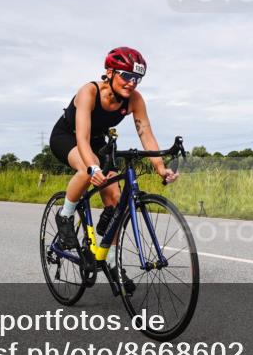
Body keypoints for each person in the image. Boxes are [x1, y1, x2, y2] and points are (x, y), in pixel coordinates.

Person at [49, 47, 178, 254]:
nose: (132, 82)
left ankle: (108, 261)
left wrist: (160, 168)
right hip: (68, 136)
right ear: (110, 72)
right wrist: (93, 168)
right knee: (85, 169)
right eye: (126, 75)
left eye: (137, 78)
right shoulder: (89, 92)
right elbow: (82, 138)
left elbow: (145, 134)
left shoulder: (134, 99)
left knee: (118, 203)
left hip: (98, 141)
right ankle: (65, 215)